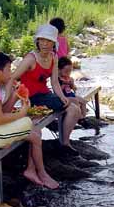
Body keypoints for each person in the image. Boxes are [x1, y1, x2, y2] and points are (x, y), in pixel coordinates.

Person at [0, 52, 59, 189]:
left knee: (35, 130)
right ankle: (41, 173)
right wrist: (22, 112)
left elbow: (1, 112)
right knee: (35, 134)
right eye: (9, 69)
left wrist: (14, 96)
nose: (11, 73)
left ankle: (32, 170)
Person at [11, 24, 81, 156]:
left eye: (48, 41)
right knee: (73, 106)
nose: (44, 44)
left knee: (73, 107)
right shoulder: (30, 59)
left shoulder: (53, 57)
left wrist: (61, 96)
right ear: (37, 41)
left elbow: (54, 81)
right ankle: (63, 143)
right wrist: (9, 101)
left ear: (54, 43)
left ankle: (65, 143)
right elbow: (12, 78)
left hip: (45, 95)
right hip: (31, 98)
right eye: (41, 40)